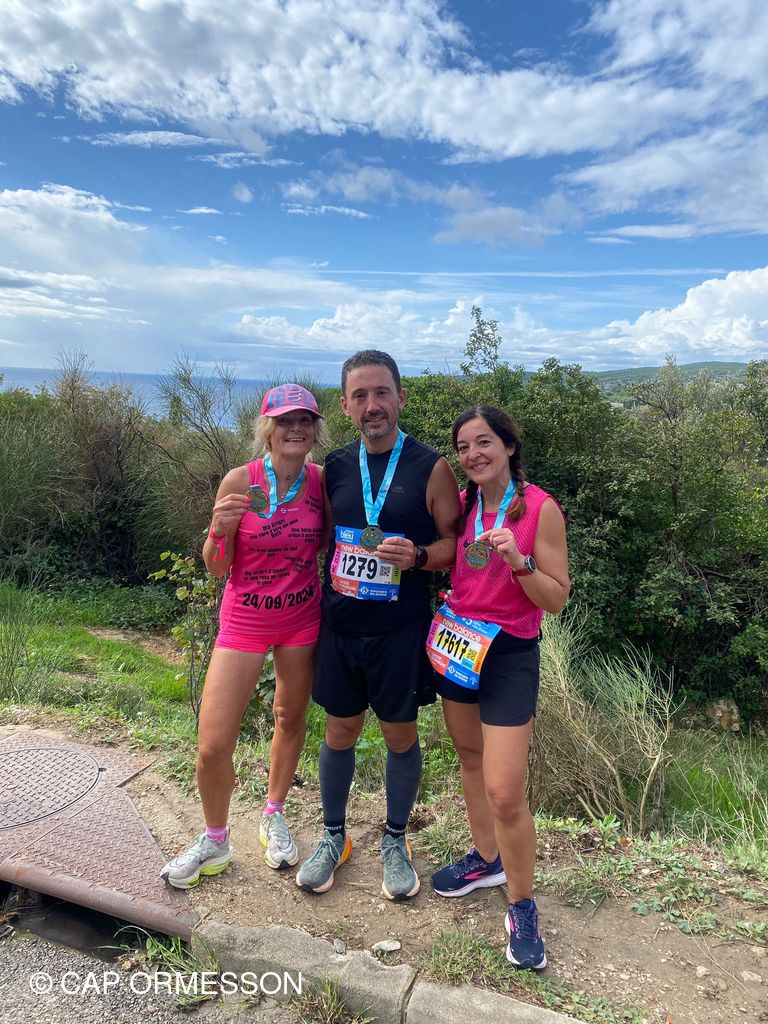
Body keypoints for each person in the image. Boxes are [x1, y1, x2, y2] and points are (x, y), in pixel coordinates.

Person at [295, 350, 461, 900]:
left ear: (400, 398)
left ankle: (395, 839)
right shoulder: (336, 467)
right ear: (345, 406)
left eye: (382, 392)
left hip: (399, 630)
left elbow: (455, 544)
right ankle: (334, 837)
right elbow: (319, 535)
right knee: (339, 732)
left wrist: (419, 556)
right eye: (360, 395)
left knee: (399, 735)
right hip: (341, 626)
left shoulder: (431, 467)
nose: (372, 405)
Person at [161, 383, 328, 888]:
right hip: (245, 620)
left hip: (301, 618)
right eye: (284, 421)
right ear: (267, 429)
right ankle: (215, 838)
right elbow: (217, 567)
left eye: (304, 420)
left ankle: (274, 813)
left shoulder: (321, 482)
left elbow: (332, 543)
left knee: (289, 717)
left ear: (315, 430)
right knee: (213, 744)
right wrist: (218, 529)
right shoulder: (240, 479)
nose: (295, 428)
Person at [427, 405, 569, 970]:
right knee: (469, 758)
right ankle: (486, 858)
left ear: (509, 446)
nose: (472, 455)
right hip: (460, 645)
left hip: (509, 654)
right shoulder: (462, 506)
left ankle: (521, 904)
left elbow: (556, 599)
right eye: (463, 446)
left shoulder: (539, 508)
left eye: (483, 442)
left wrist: (520, 561)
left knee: (506, 791)